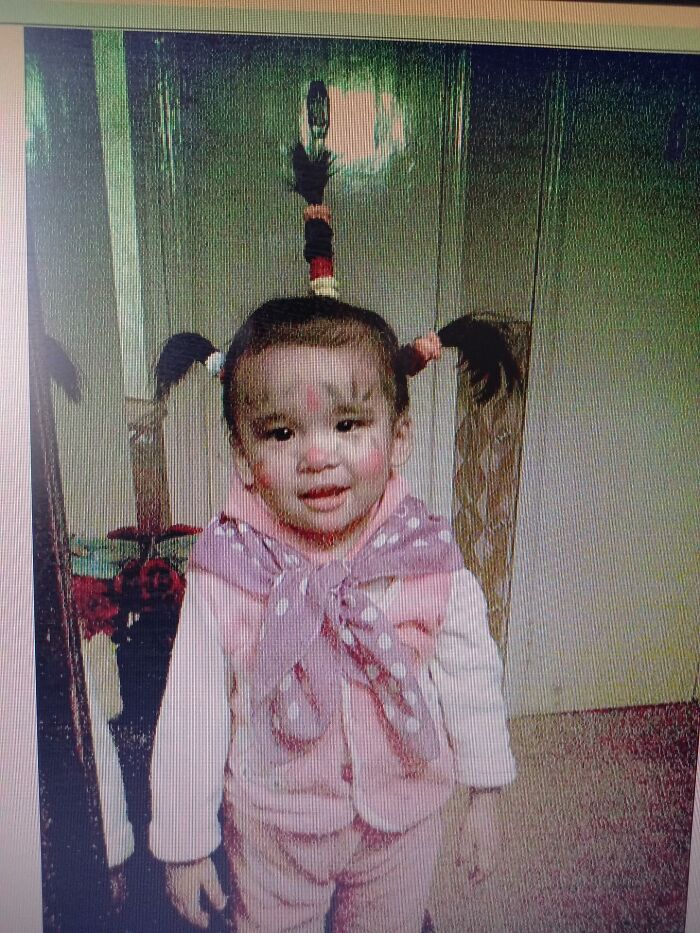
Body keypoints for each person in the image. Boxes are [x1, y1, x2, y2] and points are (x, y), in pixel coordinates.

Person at [149, 293, 518, 932]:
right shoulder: (228, 569)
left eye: (348, 424)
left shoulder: (426, 555)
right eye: (281, 432)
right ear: (243, 455)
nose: (318, 455)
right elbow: (193, 708)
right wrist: (184, 845)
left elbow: (470, 676)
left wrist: (484, 794)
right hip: (276, 821)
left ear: (398, 437)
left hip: (403, 814)